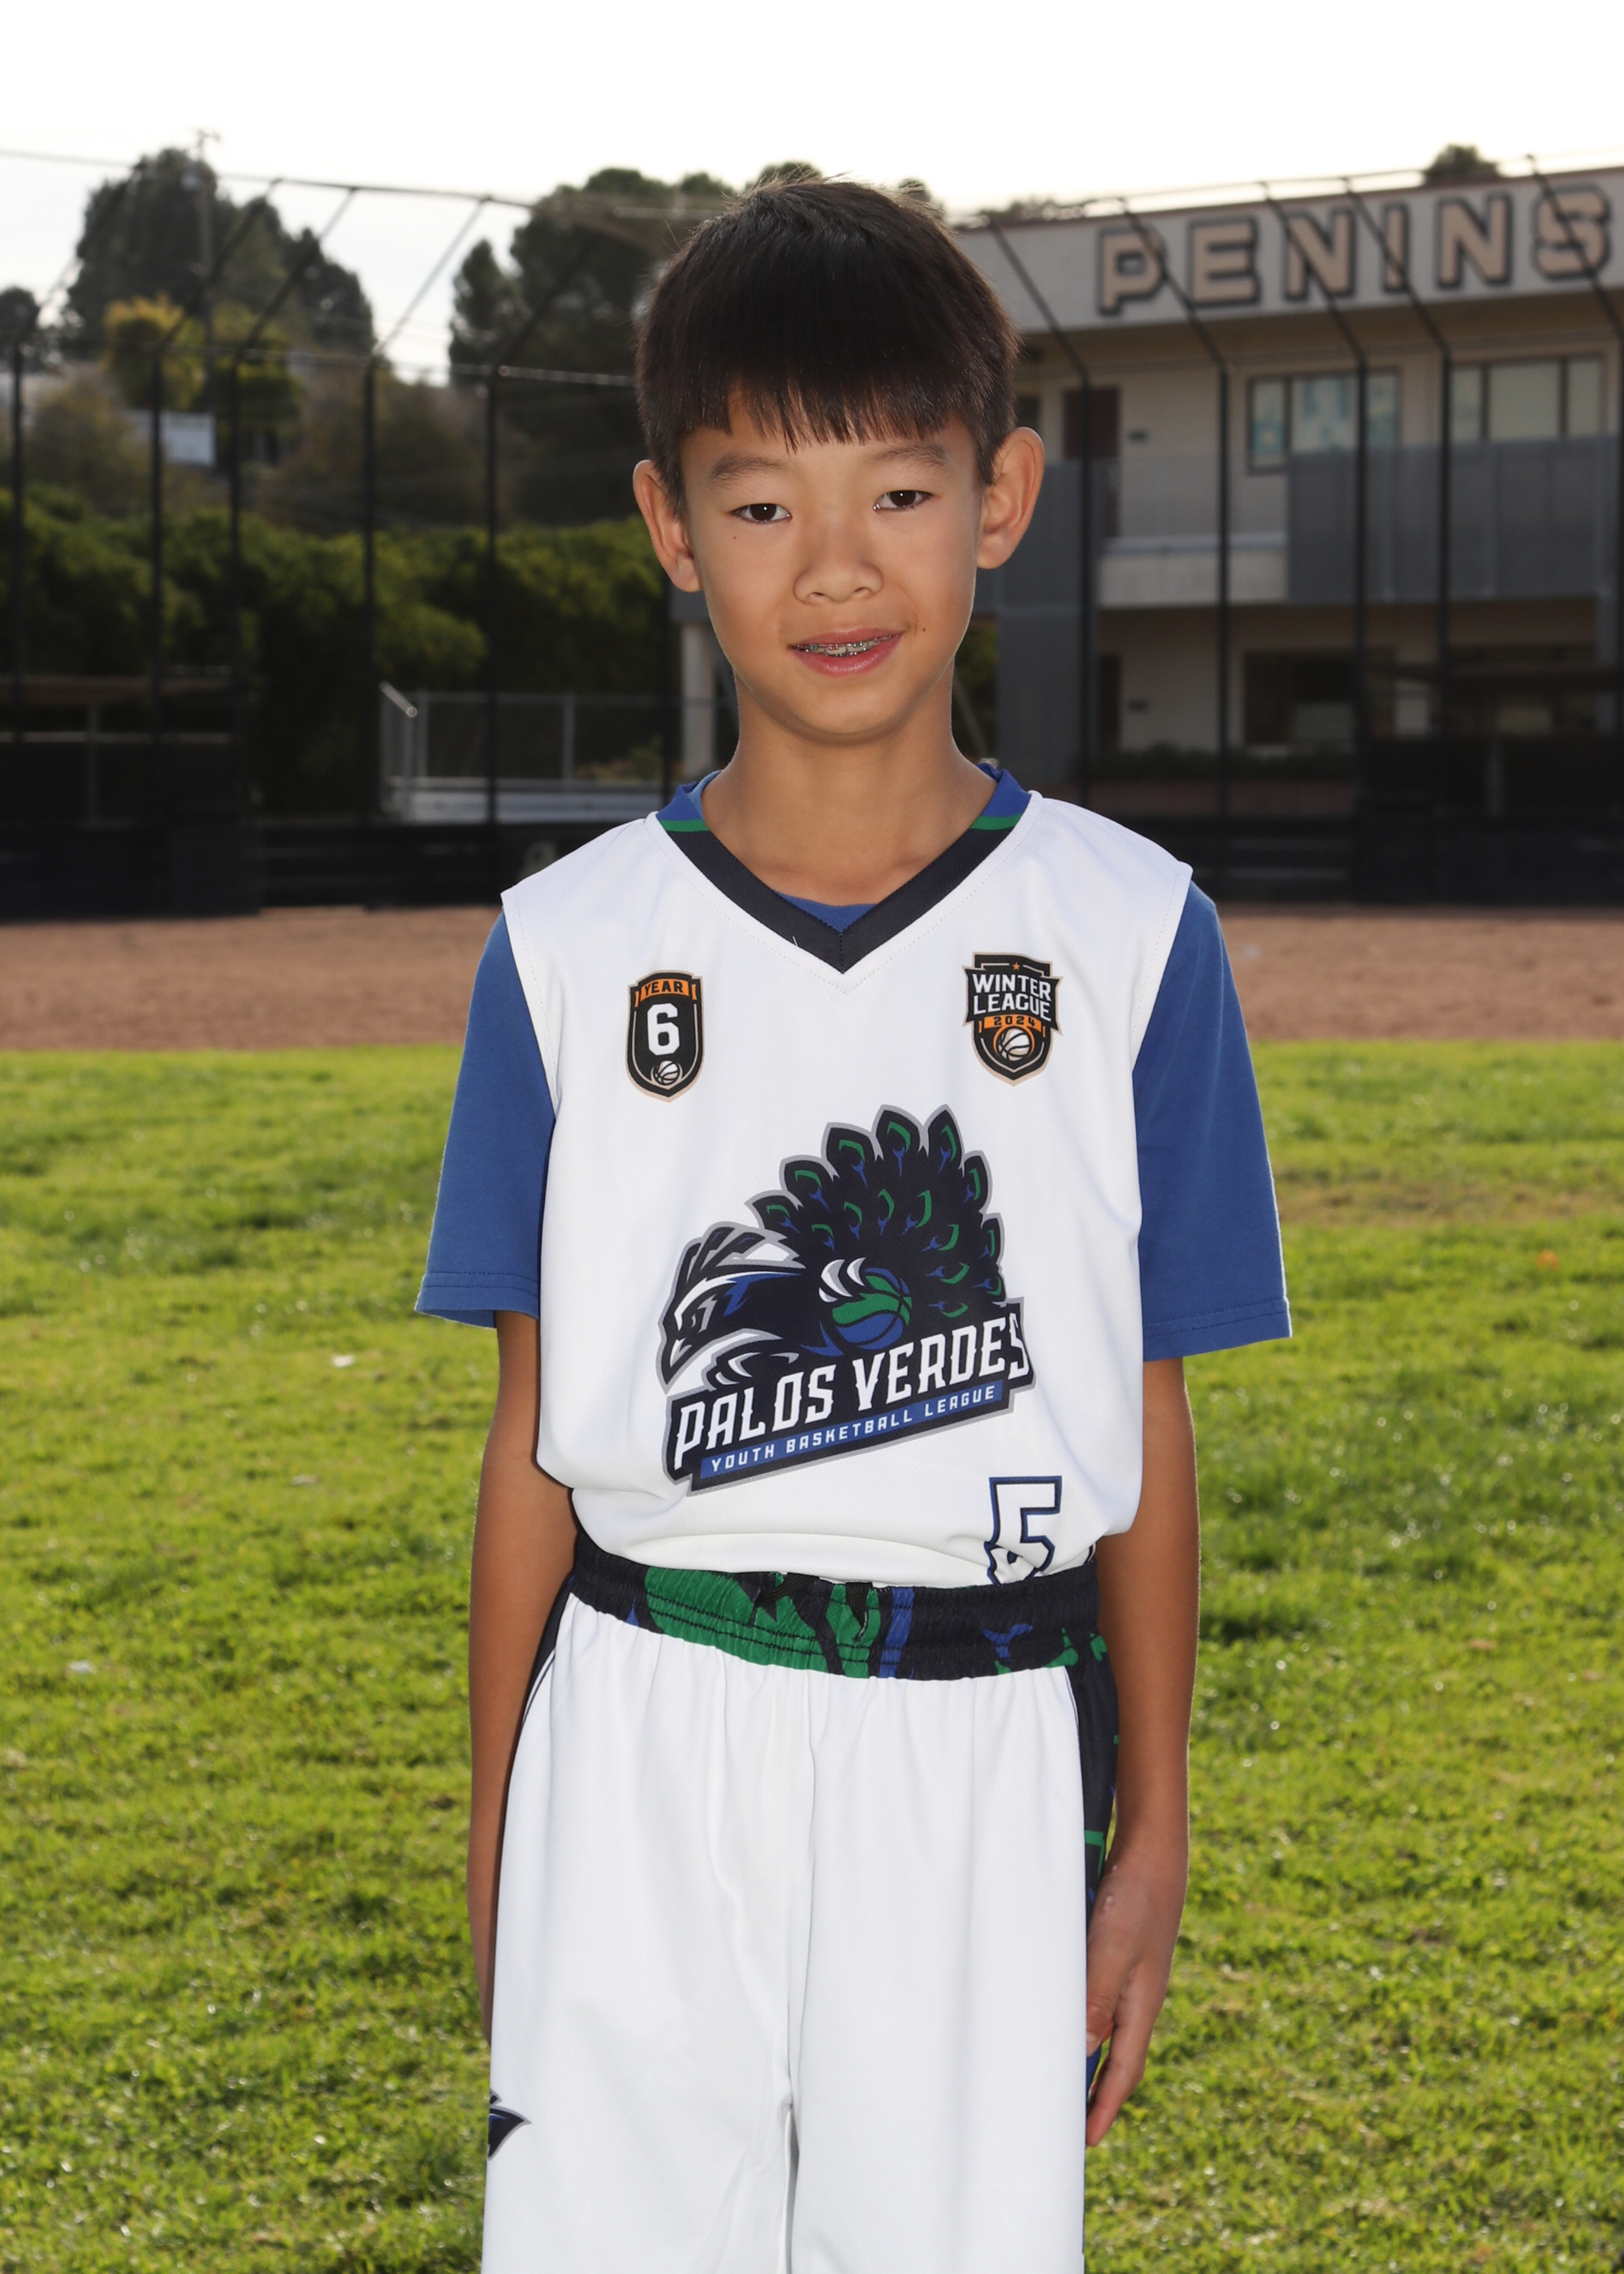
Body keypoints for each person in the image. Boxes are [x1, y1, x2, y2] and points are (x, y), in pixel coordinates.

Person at [417, 178, 1289, 2273]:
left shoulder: (1132, 932)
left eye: (897, 492)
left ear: (1001, 499)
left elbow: (1148, 1420)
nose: (834, 567)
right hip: (646, 1716)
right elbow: (531, 1443)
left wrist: (1156, 1834)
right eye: (759, 504)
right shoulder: (563, 950)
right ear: (667, 524)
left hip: (984, 1740)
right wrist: (500, 1830)